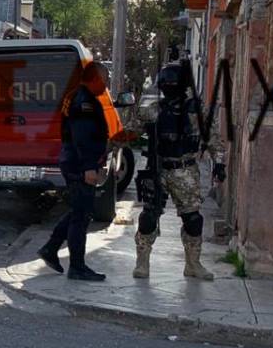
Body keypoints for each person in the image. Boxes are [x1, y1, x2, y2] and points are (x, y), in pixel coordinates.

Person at [132, 61, 226, 280]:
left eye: (171, 83)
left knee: (193, 220)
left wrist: (219, 164)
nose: (167, 87)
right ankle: (142, 263)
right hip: (158, 169)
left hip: (185, 171)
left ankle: (193, 264)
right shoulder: (154, 110)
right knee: (148, 217)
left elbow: (214, 140)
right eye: (164, 83)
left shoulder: (197, 110)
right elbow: (130, 132)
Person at [37, 62, 118, 282]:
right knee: (81, 216)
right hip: (80, 164)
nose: (106, 85)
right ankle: (77, 267)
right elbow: (82, 138)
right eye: (105, 80)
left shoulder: (79, 96)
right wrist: (89, 168)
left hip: (74, 162)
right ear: (95, 79)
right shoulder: (84, 102)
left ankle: (51, 248)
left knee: (78, 210)